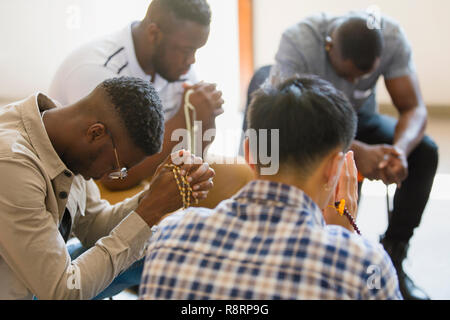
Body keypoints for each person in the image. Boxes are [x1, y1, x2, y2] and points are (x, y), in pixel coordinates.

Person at [139, 75, 402, 300]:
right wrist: (342, 240)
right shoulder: (365, 264)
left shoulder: (169, 235)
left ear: (249, 152)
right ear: (335, 167)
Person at [268, 12, 438, 300]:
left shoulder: (393, 37)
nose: (356, 83)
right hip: (306, 122)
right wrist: (354, 151)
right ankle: (321, 256)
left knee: (425, 152)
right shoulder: (299, 41)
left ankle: (394, 252)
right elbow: (285, 117)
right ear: (329, 46)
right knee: (332, 169)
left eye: (364, 77)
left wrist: (399, 151)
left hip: (359, 119)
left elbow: (414, 107)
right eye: (348, 75)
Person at [0, 76, 215, 300]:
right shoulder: (11, 164)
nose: (108, 176)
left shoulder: (63, 135)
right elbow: (62, 291)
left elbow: (93, 226)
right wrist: (149, 211)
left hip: (46, 279)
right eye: (115, 167)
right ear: (95, 133)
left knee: (166, 245)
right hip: (36, 289)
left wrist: (151, 197)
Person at [49, 0, 224, 191]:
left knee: (229, 179)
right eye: (186, 50)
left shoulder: (175, 67)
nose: (191, 60)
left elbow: (194, 155)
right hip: (86, 188)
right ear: (153, 33)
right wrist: (183, 119)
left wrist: (205, 117)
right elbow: (114, 176)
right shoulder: (98, 70)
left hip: (145, 178)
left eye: (197, 50)